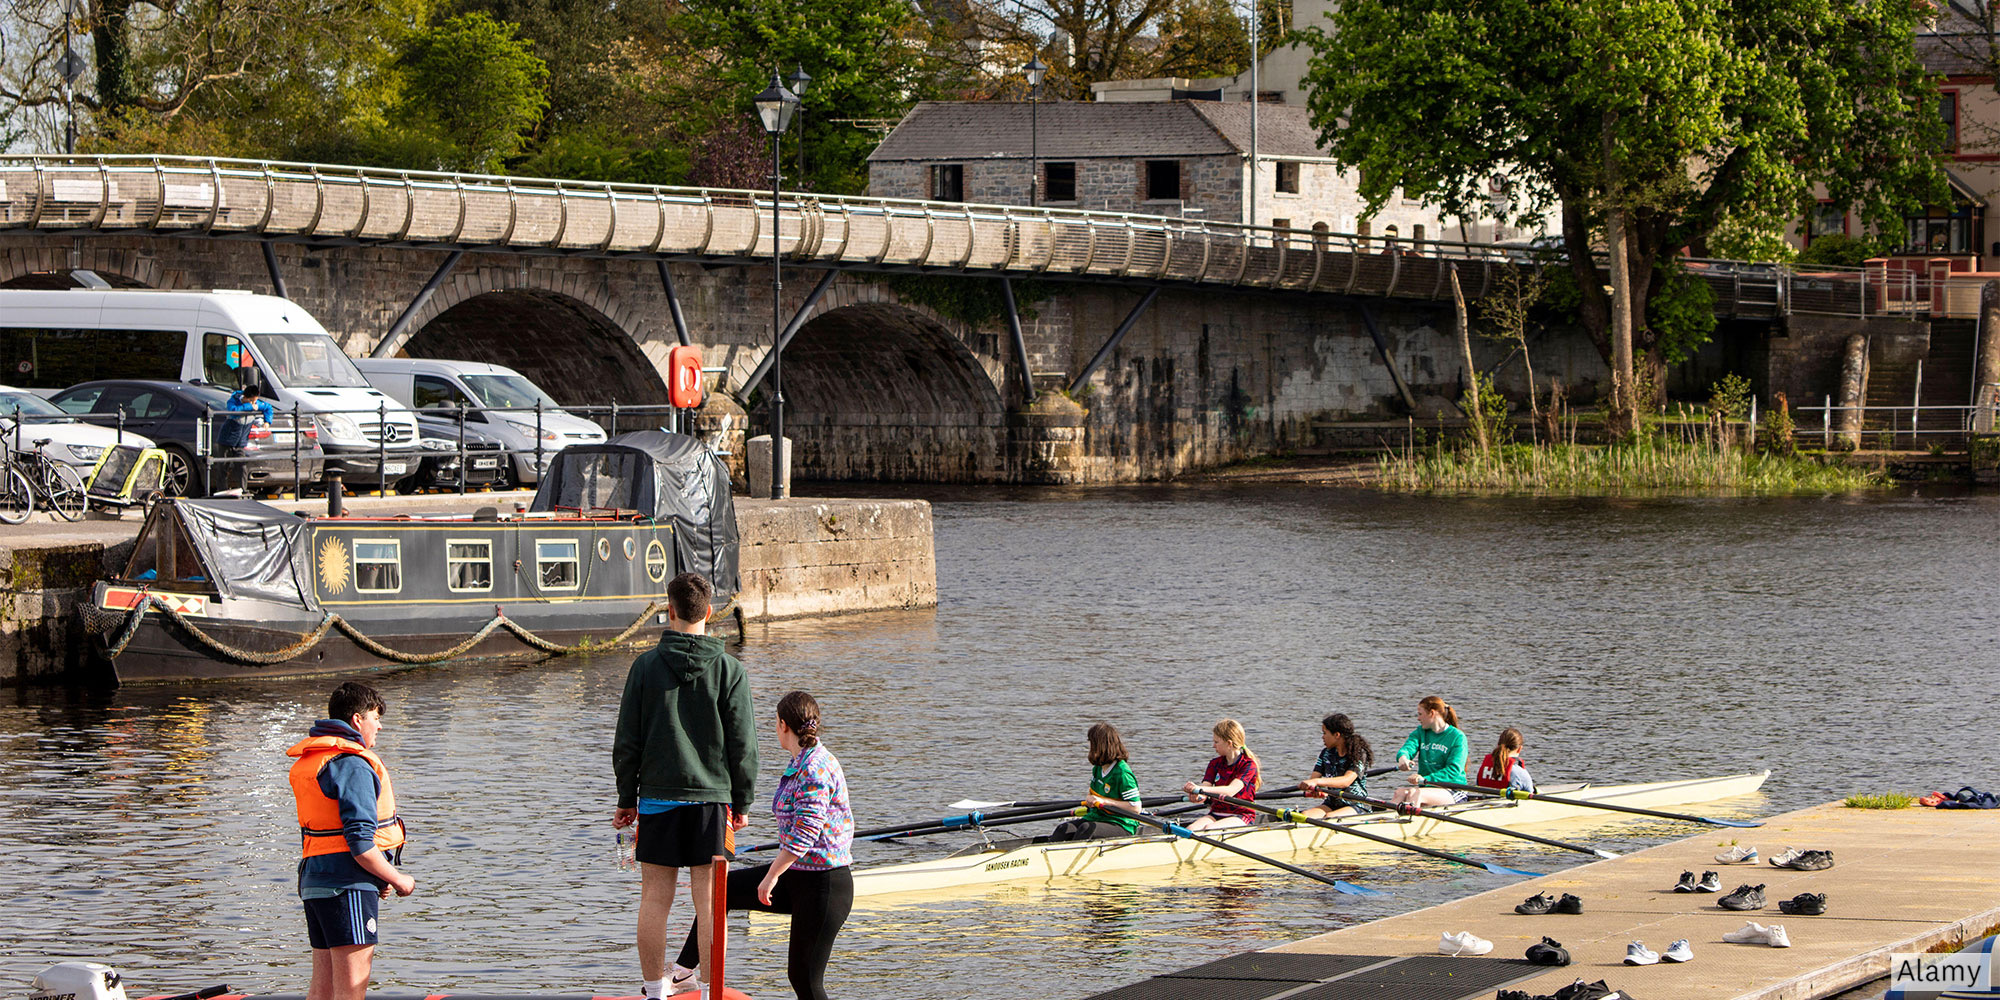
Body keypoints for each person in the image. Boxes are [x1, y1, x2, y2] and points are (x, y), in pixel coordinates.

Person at [612, 572, 758, 1000]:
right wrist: (743, 801)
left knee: (655, 897)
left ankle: (655, 991)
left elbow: (627, 741)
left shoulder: (643, 667)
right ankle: (713, 992)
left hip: (655, 798)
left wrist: (626, 798)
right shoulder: (731, 670)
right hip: (712, 803)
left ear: (669, 610)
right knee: (709, 904)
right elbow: (743, 745)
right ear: (709, 613)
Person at [668, 691, 852, 1000]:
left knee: (804, 979)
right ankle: (684, 973)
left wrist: (771, 876)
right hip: (799, 876)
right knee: (721, 892)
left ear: (782, 725)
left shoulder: (815, 767)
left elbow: (805, 832)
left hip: (825, 883)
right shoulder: (801, 761)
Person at [286, 680, 415, 1000]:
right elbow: (359, 843)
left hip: (315, 882)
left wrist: (376, 877)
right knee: (350, 992)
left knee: (322, 991)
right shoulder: (352, 763)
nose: (379, 726)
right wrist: (398, 878)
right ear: (357, 720)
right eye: (375, 717)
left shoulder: (317, 759)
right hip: (346, 885)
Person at [1048, 722, 1143, 841]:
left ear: (1101, 746)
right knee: (1063, 829)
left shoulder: (1122, 773)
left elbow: (1135, 808)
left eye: (1092, 744)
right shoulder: (1098, 768)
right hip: (1098, 817)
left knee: (1086, 829)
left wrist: (1105, 801)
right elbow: (1092, 794)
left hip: (1121, 824)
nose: (1090, 748)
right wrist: (1089, 798)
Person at [1182, 719, 1260, 831]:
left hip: (1241, 815)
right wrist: (1198, 795)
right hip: (1216, 813)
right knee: (1190, 829)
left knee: (1210, 829)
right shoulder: (1215, 763)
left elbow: (1231, 791)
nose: (1213, 746)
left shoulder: (1248, 765)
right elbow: (1206, 788)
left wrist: (1199, 789)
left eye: (1216, 742)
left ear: (1229, 743)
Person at [1391, 695, 1468, 809]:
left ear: (1431, 713)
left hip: (1452, 789)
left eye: (1420, 714)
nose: (1418, 718)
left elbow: (1454, 770)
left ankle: (1409, 823)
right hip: (1427, 786)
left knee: (1415, 793)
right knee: (1400, 793)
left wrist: (1425, 779)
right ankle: (1384, 822)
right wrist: (1403, 758)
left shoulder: (1457, 737)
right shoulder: (1421, 732)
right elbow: (1408, 748)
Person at [1299, 713, 1375, 819]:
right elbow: (1314, 779)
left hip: (1356, 804)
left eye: (1325, 733)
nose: (1322, 737)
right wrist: (1314, 789)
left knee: (1330, 817)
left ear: (1337, 735)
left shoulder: (1358, 754)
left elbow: (1345, 781)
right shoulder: (1326, 753)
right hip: (1331, 803)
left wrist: (1317, 782)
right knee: (1304, 816)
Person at [219, 382, 274, 495]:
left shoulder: (256, 403)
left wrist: (267, 421)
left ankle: (243, 490)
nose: (255, 404)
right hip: (226, 441)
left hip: (241, 442)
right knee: (223, 467)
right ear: (245, 398)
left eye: (255, 401)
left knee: (242, 466)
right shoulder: (233, 401)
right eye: (252, 401)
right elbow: (233, 411)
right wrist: (249, 406)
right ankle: (222, 491)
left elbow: (268, 408)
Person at [1474, 727, 1536, 792]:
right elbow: (1531, 795)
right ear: (1519, 749)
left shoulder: (1485, 767)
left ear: (1498, 745)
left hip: (1484, 799)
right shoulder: (1519, 773)